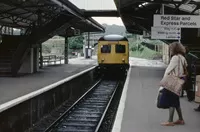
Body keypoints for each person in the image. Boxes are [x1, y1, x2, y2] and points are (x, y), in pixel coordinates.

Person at [161, 42, 187, 126]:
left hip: (173, 81)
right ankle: (181, 119)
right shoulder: (183, 58)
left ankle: (170, 121)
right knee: (176, 101)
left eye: (171, 49)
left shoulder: (175, 58)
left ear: (174, 49)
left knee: (171, 100)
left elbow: (168, 70)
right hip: (180, 81)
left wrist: (163, 81)